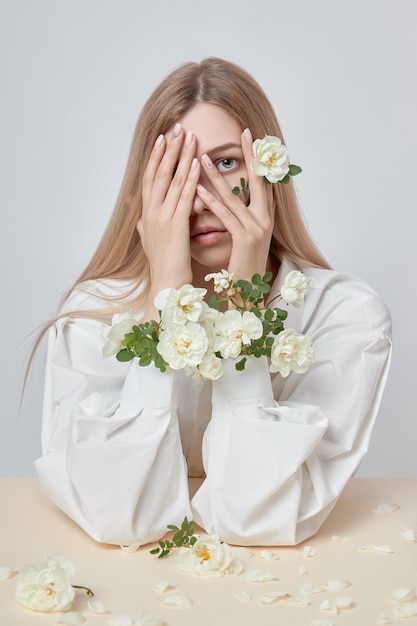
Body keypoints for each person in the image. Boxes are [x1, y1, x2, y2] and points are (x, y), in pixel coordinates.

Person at [34, 57, 392, 547]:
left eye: (226, 163)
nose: (203, 197)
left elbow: (257, 519)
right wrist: (167, 298)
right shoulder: (96, 314)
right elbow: (119, 516)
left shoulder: (346, 315)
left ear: (271, 169)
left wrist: (243, 311)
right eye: (177, 170)